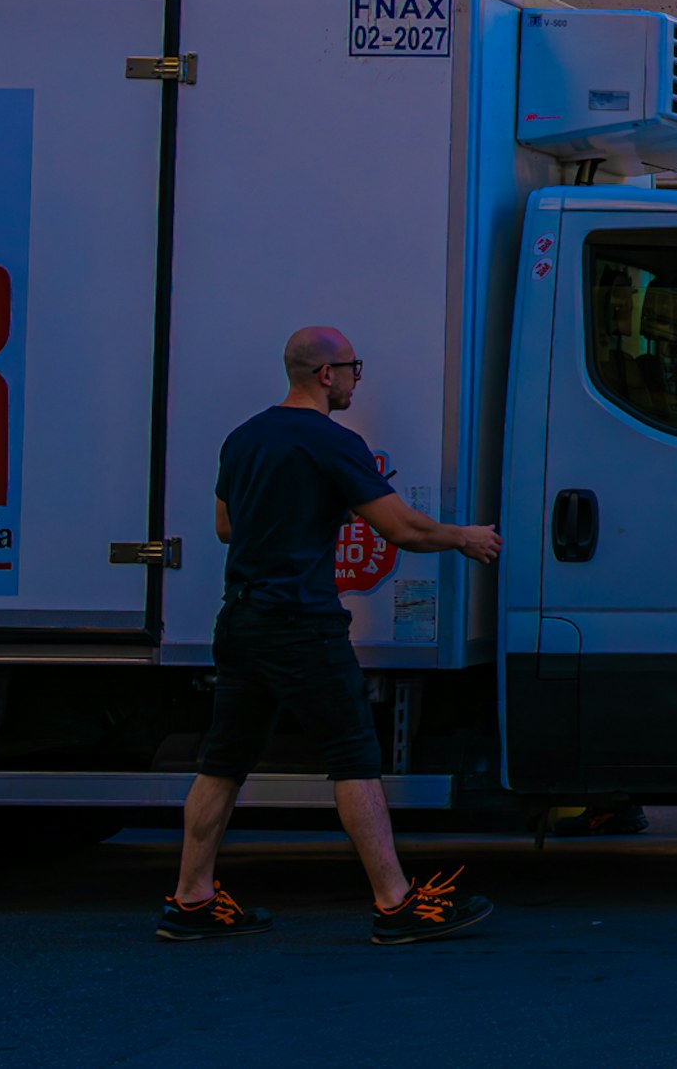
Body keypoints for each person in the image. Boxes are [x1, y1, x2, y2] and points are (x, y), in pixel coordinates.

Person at [160, 325, 503, 944]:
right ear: (326, 374)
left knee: (222, 763)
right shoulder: (332, 441)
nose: (355, 378)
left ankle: (191, 899)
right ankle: (396, 903)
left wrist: (316, 509)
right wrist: (465, 538)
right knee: (353, 759)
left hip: (239, 620)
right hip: (303, 624)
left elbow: (226, 526)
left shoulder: (244, 437)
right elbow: (404, 530)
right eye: (353, 367)